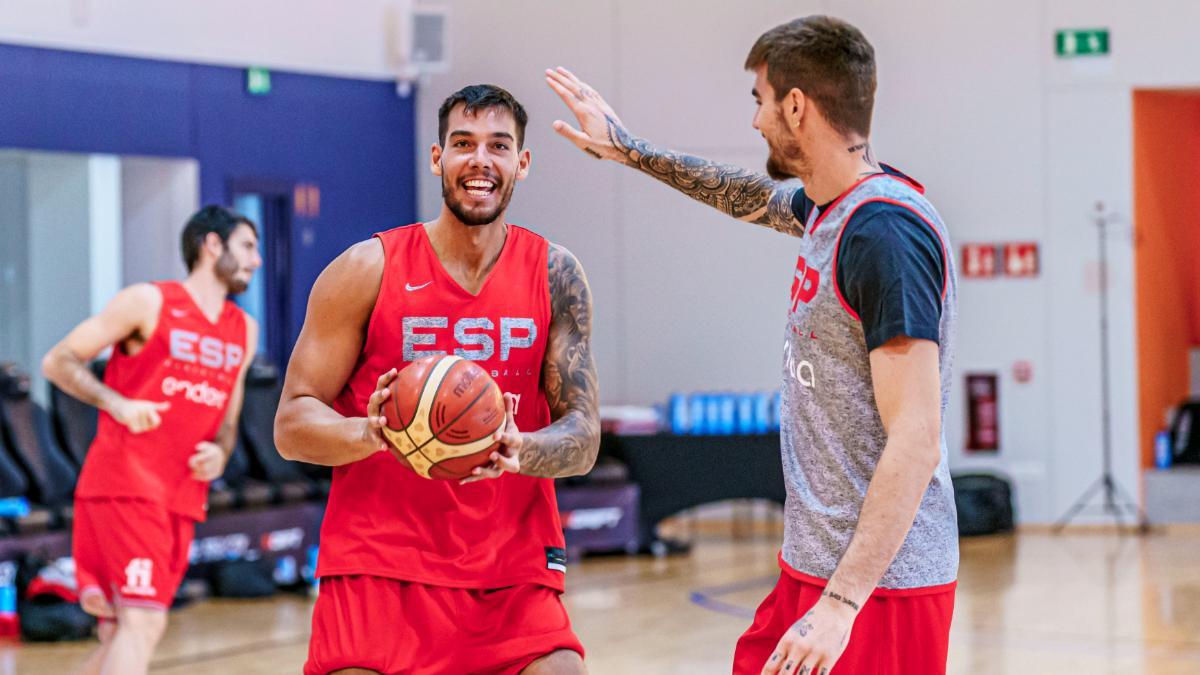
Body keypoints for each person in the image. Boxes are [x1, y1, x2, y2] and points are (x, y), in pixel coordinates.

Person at [547, 15, 958, 675]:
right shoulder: (832, 209)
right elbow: (746, 195)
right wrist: (627, 149)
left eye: (760, 100)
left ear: (797, 105)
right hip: (815, 569)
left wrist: (841, 602)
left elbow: (916, 434)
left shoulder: (886, 235)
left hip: (880, 587)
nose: (755, 120)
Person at [274, 84, 600, 675]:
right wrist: (371, 433)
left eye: (499, 146)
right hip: (378, 564)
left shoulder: (555, 275)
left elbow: (583, 438)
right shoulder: (366, 269)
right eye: (463, 144)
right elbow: (292, 423)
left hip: (512, 569)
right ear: (436, 158)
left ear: (522, 163)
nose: (480, 160)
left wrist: (520, 448)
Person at [42, 205, 261, 675]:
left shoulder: (243, 329)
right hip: (125, 486)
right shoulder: (149, 302)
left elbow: (228, 417)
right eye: (247, 246)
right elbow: (58, 361)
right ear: (212, 244)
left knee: (125, 631)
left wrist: (221, 454)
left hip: (182, 497)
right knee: (142, 624)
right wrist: (116, 402)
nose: (256, 259)